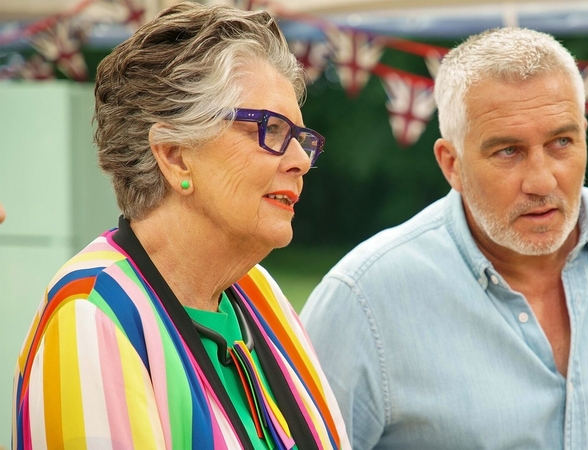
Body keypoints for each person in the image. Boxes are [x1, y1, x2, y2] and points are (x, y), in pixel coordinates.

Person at [301, 27, 588, 449]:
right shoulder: (362, 301)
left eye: (561, 142)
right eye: (508, 152)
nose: (541, 180)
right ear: (452, 164)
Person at [12, 4, 350, 449]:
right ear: (174, 156)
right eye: (271, 130)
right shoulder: (93, 315)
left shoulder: (258, 294)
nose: (301, 161)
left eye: (302, 140)